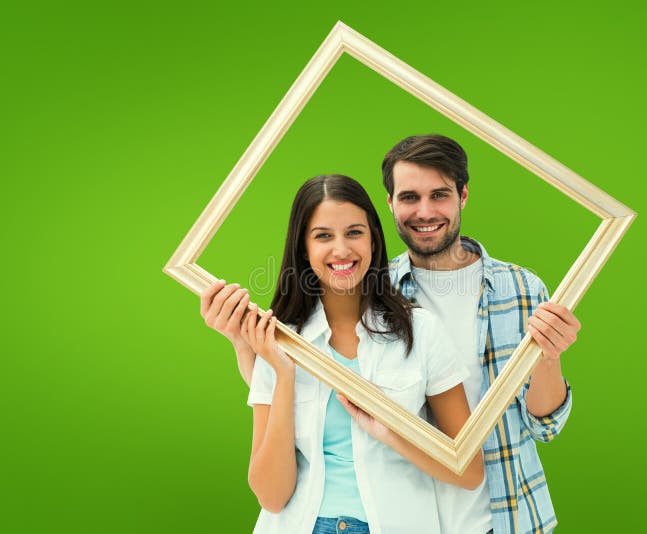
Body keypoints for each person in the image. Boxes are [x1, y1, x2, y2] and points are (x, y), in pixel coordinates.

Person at [200, 174, 483, 534]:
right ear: (304, 248)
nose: (341, 250)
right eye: (323, 236)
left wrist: (389, 430)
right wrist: (283, 375)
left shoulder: (421, 332)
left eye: (354, 233)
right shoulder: (278, 341)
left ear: (373, 239)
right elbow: (271, 496)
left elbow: (469, 471)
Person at [381, 134, 581, 534]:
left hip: (506, 518)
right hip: (405, 520)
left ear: (463, 195)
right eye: (409, 197)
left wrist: (550, 356)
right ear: (390, 203)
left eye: (439, 195)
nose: (424, 211)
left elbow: (544, 425)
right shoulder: (372, 295)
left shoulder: (521, 287)